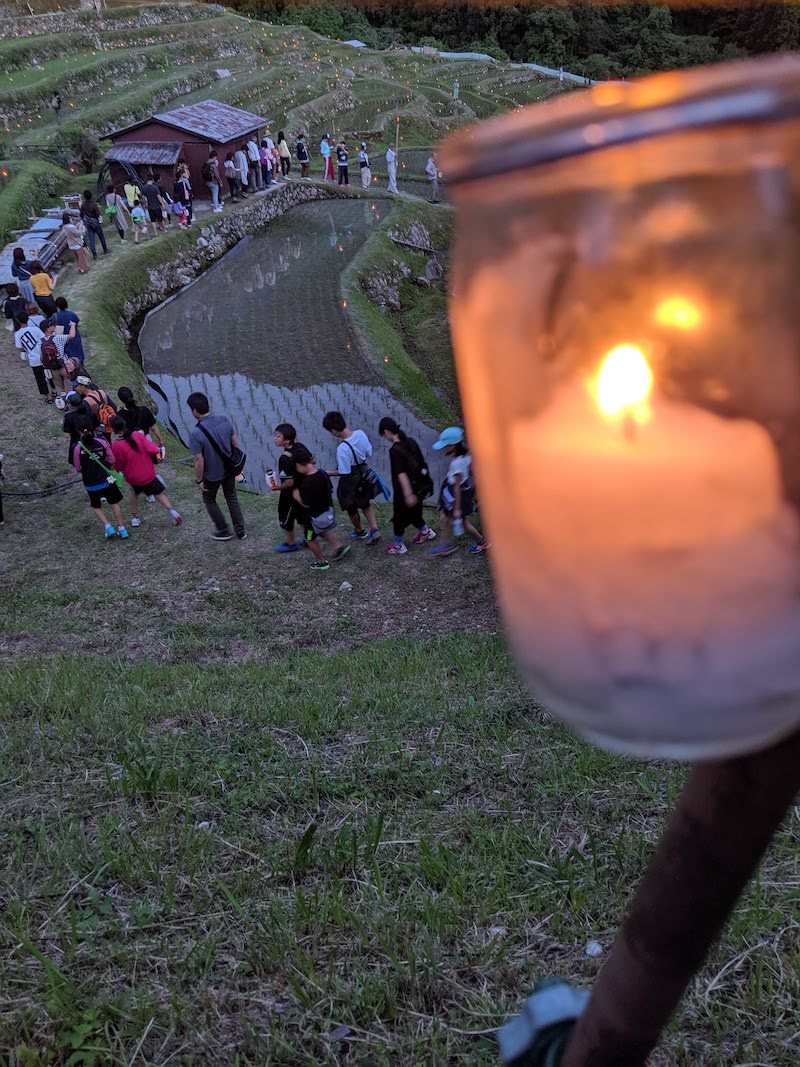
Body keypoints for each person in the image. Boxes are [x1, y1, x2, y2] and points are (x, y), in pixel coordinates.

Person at [187, 391, 246, 541]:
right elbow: (234, 443)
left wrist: (199, 480)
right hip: (228, 469)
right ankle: (240, 531)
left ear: (194, 411)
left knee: (209, 499)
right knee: (231, 496)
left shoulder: (195, 433)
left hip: (211, 475)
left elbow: (199, 460)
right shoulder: (224, 420)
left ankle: (223, 530)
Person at [109, 416, 181, 528]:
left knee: (134, 494)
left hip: (134, 478)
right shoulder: (137, 435)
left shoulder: (116, 446)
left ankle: (135, 518)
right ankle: (173, 513)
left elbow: (117, 465)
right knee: (158, 494)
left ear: (113, 429)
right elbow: (153, 449)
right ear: (124, 424)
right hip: (148, 474)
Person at [378, 417, 436, 554]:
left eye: (383, 435)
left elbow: (401, 474)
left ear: (386, 432)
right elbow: (421, 462)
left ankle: (398, 545)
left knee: (398, 518)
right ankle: (426, 532)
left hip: (405, 491)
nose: (384, 438)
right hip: (419, 487)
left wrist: (408, 494)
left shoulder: (395, 450)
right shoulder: (411, 441)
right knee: (416, 512)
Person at [429, 426, 489, 556]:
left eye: (446, 445)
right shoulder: (467, 456)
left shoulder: (456, 464)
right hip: (460, 491)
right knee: (445, 516)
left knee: (462, 523)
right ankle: (444, 544)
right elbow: (473, 474)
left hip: (457, 495)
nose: (444, 448)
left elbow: (457, 486)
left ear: (453, 446)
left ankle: (482, 541)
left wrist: (456, 508)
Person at [322, 410, 380, 543]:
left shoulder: (342, 449)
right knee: (365, 502)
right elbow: (368, 452)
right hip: (364, 472)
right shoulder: (360, 433)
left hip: (351, 480)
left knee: (350, 506)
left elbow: (344, 472)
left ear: (334, 431)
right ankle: (374, 528)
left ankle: (359, 530)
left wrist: (327, 472)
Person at [292, 446, 351, 572]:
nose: (297, 469)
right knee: (320, 529)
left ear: (302, 464)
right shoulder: (323, 474)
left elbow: (306, 504)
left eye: (296, 466)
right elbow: (331, 489)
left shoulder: (307, 483)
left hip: (312, 519)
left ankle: (321, 561)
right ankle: (338, 546)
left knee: (309, 538)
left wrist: (297, 496)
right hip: (326, 512)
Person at [73, 425, 129, 540]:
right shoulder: (102, 442)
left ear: (80, 433)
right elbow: (112, 459)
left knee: (96, 506)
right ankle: (122, 529)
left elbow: (78, 467)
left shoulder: (77, 448)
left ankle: (108, 527)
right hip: (107, 479)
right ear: (93, 431)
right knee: (114, 503)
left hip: (90, 483)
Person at [270, 422, 307, 553]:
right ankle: (308, 539)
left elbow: (289, 482)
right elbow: (312, 461)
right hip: (304, 490)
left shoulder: (284, 459)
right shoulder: (300, 447)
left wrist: (277, 487)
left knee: (285, 516)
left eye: (278, 436)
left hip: (290, 494)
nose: (275, 439)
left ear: (287, 440)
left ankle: (291, 543)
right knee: (303, 517)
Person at [14, 311, 50, 403]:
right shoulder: (35, 329)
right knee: (50, 374)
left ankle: (48, 396)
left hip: (33, 359)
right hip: (44, 356)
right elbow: (44, 339)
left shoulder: (18, 334)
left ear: (18, 321)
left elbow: (19, 348)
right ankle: (54, 391)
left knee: (40, 378)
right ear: (27, 318)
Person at [40, 317, 76, 399]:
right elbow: (72, 335)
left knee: (58, 386)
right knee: (68, 384)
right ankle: (71, 400)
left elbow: (41, 357)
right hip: (64, 365)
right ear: (48, 329)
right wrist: (73, 325)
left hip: (52, 368)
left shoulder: (40, 342)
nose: (54, 327)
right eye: (52, 326)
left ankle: (62, 403)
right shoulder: (58, 338)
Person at [53, 297, 86, 371]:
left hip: (63, 340)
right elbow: (77, 323)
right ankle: (81, 370)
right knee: (78, 354)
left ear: (57, 306)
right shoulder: (72, 314)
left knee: (67, 356)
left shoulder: (55, 316)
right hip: (75, 338)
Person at [62, 392, 94, 462]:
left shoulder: (68, 417)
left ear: (71, 405)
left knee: (78, 460)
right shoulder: (90, 413)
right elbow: (97, 428)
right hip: (92, 440)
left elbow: (66, 435)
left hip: (76, 442)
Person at [79, 190, 110, 257]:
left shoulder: (83, 205)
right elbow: (97, 214)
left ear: (84, 197)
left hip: (88, 224)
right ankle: (105, 250)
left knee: (91, 240)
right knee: (101, 237)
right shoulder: (93, 204)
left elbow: (81, 215)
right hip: (95, 223)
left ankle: (94, 254)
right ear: (91, 196)